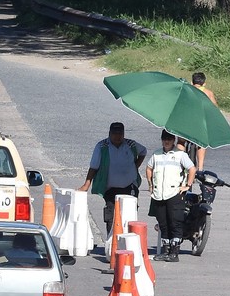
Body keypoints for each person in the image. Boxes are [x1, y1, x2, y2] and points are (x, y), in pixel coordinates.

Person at [78, 121, 147, 245]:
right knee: (111, 216)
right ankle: (112, 243)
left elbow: (143, 152)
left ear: (123, 134)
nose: (117, 136)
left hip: (129, 186)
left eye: (120, 133)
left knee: (130, 215)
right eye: (115, 134)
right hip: (110, 188)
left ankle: (129, 243)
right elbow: (93, 166)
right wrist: (86, 184)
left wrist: (135, 166)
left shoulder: (131, 145)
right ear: (109, 134)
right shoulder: (102, 146)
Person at [145, 129, 197, 261]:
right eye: (164, 139)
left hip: (175, 193)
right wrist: (150, 184)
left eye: (169, 139)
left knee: (175, 223)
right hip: (159, 194)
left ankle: (174, 252)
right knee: (163, 223)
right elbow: (149, 168)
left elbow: (192, 169)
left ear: (173, 140)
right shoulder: (156, 154)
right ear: (161, 140)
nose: (166, 141)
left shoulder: (180, 154)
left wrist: (187, 185)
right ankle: (165, 250)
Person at [191, 72, 216, 169]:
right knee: (202, 142)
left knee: (181, 141)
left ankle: (181, 162)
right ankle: (200, 168)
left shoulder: (188, 90)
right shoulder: (208, 93)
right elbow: (214, 108)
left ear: (192, 83)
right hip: (201, 122)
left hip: (188, 121)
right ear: (204, 83)